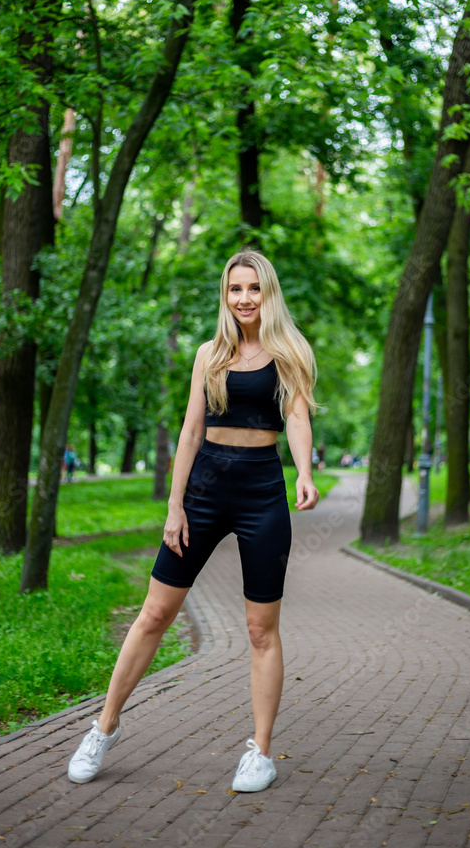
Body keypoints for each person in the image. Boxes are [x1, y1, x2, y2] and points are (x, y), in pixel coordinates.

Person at [67, 249, 319, 792]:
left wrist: (304, 471)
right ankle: (103, 727)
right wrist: (174, 505)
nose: (245, 298)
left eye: (254, 288)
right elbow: (189, 432)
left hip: (261, 492)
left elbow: (297, 417)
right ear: (225, 296)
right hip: (204, 491)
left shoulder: (290, 351)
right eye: (235, 289)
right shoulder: (210, 353)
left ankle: (261, 751)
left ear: (268, 293)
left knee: (260, 629)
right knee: (154, 614)